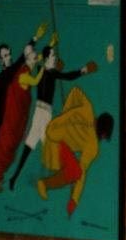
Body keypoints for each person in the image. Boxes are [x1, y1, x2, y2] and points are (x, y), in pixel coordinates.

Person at [8, 43, 98, 190]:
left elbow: (55, 75)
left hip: (39, 113)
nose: (55, 58)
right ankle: (67, 175)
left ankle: (16, 177)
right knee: (47, 147)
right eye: (53, 56)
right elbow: (67, 76)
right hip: (42, 115)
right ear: (48, 58)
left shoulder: (42, 70)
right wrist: (83, 70)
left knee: (33, 147)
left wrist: (56, 64)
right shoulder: (49, 71)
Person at [0, 23, 47, 171]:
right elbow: (22, 61)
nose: (9, 57)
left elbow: (26, 64)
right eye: (6, 56)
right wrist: (35, 38)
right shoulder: (4, 77)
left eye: (9, 54)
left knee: (6, 156)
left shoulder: (10, 76)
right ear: (1, 61)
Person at [35, 86, 113, 216]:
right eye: (105, 135)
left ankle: (43, 183)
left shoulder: (93, 146)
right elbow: (76, 92)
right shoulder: (87, 111)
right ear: (102, 129)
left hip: (61, 145)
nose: (103, 138)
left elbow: (82, 171)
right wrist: (66, 113)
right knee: (74, 170)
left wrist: (74, 200)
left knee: (75, 171)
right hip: (54, 134)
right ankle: (43, 183)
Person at [0, 28, 49, 191]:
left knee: (12, 149)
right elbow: (35, 81)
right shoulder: (22, 73)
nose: (34, 58)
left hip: (19, 117)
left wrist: (49, 45)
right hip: (12, 117)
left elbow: (38, 57)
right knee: (5, 147)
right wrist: (44, 67)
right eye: (31, 57)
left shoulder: (25, 66)